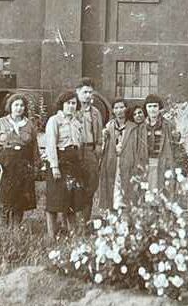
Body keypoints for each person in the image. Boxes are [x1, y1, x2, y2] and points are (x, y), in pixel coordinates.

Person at [0, 92, 42, 228]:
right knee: (4, 196)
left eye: (22, 105)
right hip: (5, 164)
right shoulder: (1, 123)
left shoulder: (29, 125)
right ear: (10, 107)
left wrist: (36, 164)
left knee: (20, 197)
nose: (19, 108)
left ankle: (16, 228)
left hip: (23, 164)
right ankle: (4, 227)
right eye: (16, 105)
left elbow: (34, 145)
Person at [43, 92, 86, 236]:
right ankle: (51, 235)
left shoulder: (76, 121)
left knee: (71, 198)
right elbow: (50, 144)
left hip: (73, 163)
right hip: (59, 161)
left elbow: (80, 143)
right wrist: (54, 166)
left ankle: (72, 232)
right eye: (68, 103)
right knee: (55, 199)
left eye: (74, 103)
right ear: (62, 104)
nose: (71, 106)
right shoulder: (54, 120)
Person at [120, 94, 177, 202]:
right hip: (145, 164)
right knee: (145, 195)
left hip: (162, 164)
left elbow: (173, 146)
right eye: (149, 106)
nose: (152, 109)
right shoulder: (141, 127)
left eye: (155, 106)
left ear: (159, 108)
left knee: (162, 195)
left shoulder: (167, 125)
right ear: (146, 108)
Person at [74, 78, 103, 222]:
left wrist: (97, 150)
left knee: (90, 186)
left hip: (91, 151)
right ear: (77, 92)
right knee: (74, 186)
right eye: (84, 92)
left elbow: (99, 136)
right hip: (75, 152)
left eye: (90, 92)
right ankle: (71, 222)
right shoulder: (72, 109)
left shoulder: (96, 112)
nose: (87, 95)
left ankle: (84, 221)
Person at [96, 98, 132, 213]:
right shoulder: (109, 126)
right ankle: (112, 213)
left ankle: (125, 215)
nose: (119, 110)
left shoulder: (132, 127)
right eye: (116, 108)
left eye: (122, 107)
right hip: (112, 161)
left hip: (126, 162)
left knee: (125, 187)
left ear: (126, 109)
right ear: (113, 110)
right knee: (112, 186)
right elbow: (103, 146)